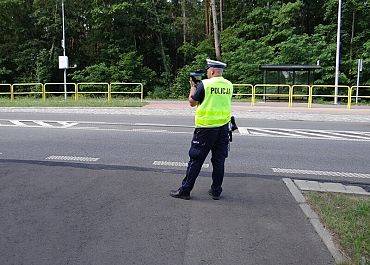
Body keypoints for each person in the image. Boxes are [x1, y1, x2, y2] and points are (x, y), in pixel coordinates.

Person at [170, 59, 233, 200]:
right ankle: (216, 191)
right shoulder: (229, 84)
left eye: (207, 71)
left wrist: (193, 86)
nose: (206, 73)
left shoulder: (205, 84)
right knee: (219, 161)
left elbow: (192, 102)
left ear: (212, 71)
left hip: (205, 129)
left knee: (196, 160)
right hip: (223, 128)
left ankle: (185, 191)